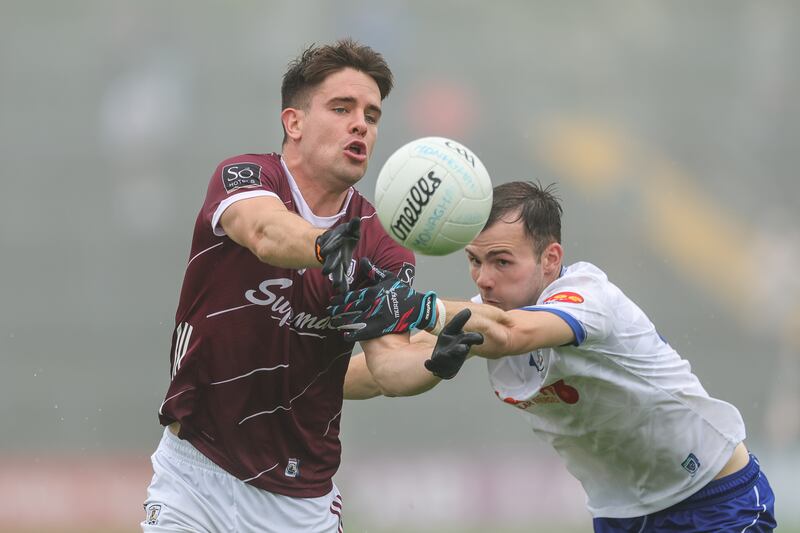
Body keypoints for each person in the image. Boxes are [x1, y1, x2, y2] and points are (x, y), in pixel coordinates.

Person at [330, 181, 778, 532]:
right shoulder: (485, 315)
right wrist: (288, 380)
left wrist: (415, 307)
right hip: (621, 515)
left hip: (715, 498)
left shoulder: (586, 296)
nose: (484, 279)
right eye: (474, 261)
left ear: (550, 258)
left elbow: (511, 335)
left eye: (502, 262)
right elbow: (376, 373)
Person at [142, 38, 439, 533]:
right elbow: (266, 233)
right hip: (194, 475)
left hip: (301, 504)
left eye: (372, 114)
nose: (360, 124)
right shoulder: (246, 176)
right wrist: (327, 249)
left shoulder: (381, 241)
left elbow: (388, 366)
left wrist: (436, 362)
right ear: (293, 122)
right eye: (341, 108)